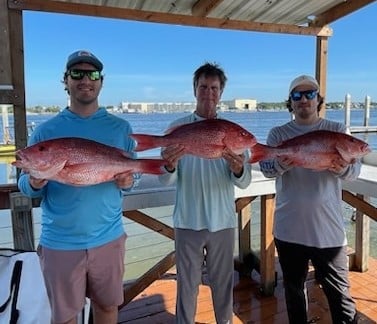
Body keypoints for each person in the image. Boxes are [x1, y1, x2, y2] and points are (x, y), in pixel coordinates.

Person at [17, 50, 136, 324]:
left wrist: (130, 181)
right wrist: (34, 181)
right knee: (65, 317)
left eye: (92, 74)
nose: (85, 80)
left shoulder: (121, 128)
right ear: (66, 81)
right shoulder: (45, 131)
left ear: (101, 81)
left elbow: (131, 177)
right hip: (60, 243)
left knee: (107, 309)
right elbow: (25, 183)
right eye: (77, 73)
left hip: (108, 238)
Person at [259, 75, 359, 323]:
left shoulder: (337, 131)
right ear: (290, 103)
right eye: (297, 95)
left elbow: (354, 171)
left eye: (310, 94)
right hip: (289, 229)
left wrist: (341, 168)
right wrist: (280, 165)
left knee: (340, 296)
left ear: (318, 100)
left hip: (329, 231)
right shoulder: (278, 134)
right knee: (294, 293)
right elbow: (266, 168)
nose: (303, 99)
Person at [159, 62, 252, 324]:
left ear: (221, 92)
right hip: (187, 220)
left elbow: (244, 183)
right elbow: (166, 178)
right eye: (203, 87)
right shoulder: (177, 128)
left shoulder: (232, 132)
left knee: (223, 285)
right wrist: (169, 164)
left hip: (222, 221)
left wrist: (237, 169)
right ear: (194, 90)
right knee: (186, 285)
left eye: (214, 88)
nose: (208, 93)